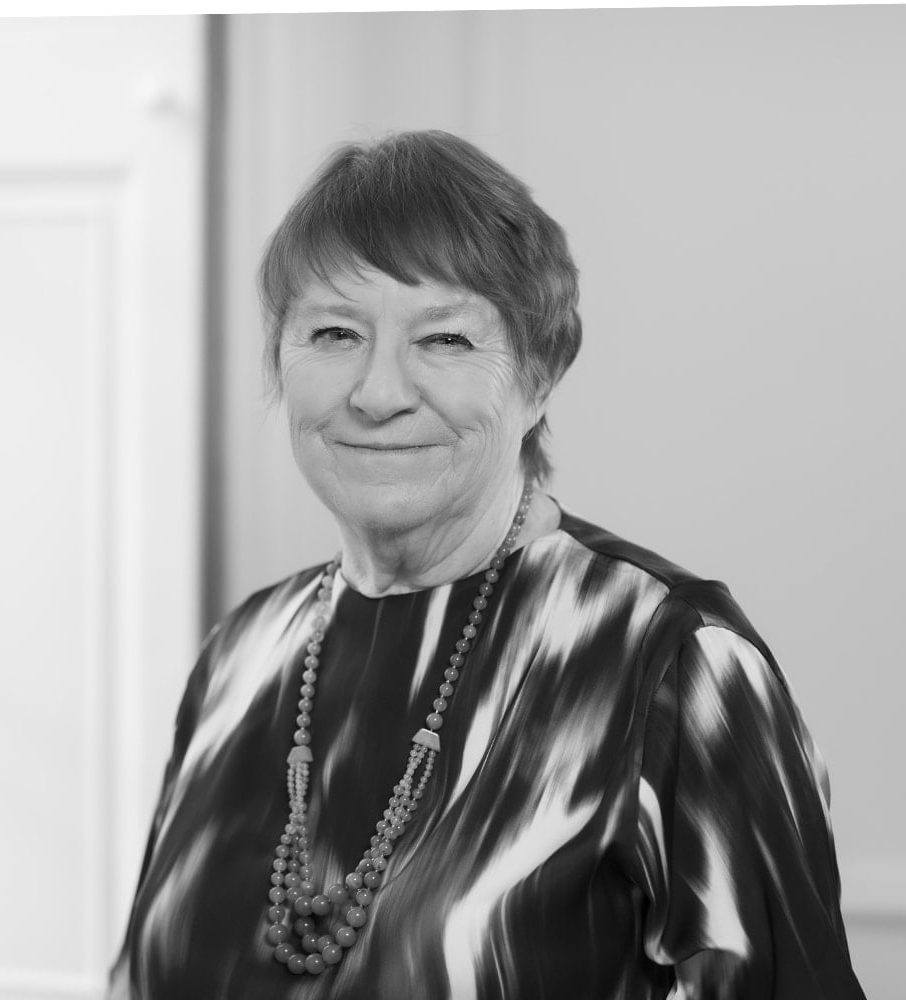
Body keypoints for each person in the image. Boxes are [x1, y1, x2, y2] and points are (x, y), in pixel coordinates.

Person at [107, 130, 865, 999]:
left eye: (446, 340)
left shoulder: (673, 665)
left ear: (538, 375)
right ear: (280, 359)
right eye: (334, 332)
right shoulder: (241, 654)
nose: (379, 393)